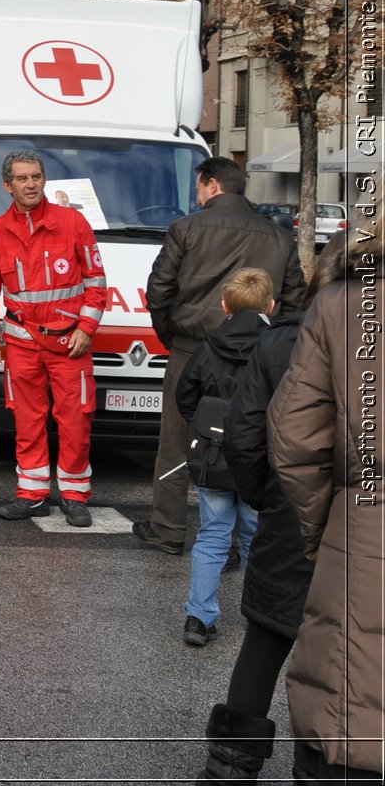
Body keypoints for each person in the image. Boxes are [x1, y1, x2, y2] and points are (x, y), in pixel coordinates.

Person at [193, 239, 349, 780]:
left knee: (267, 638)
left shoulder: (281, 341)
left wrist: (267, 496)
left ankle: (230, 766)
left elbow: (245, 431)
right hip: (361, 515)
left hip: (291, 508)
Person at [139, 157, 305, 555]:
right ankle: (236, 541)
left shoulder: (185, 229)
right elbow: (296, 299)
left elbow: (159, 289)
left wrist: (171, 335)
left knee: (177, 441)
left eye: (198, 188)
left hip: (193, 347)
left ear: (212, 185)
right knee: (246, 438)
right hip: (259, 355)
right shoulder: (279, 236)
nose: (196, 196)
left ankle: (168, 528)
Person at [267, 228, 382, 782]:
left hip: (364, 524)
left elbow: (294, 437)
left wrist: (328, 530)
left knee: (348, 708)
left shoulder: (345, 303)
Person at [0, 150, 108, 527]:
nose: (30, 184)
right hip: (22, 344)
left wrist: (86, 328)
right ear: (7, 185)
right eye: (22, 178)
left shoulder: (73, 223)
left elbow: (97, 283)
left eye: (35, 176)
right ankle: (32, 494)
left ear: (44, 179)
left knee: (75, 420)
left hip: (70, 343)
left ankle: (74, 495)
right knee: (28, 419)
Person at [173, 268, 274, 648]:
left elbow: (186, 398)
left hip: (214, 456)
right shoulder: (277, 347)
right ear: (271, 305)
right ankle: (260, 618)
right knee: (256, 537)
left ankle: (198, 617)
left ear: (224, 305)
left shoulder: (208, 347)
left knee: (213, 534)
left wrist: (208, 430)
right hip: (260, 458)